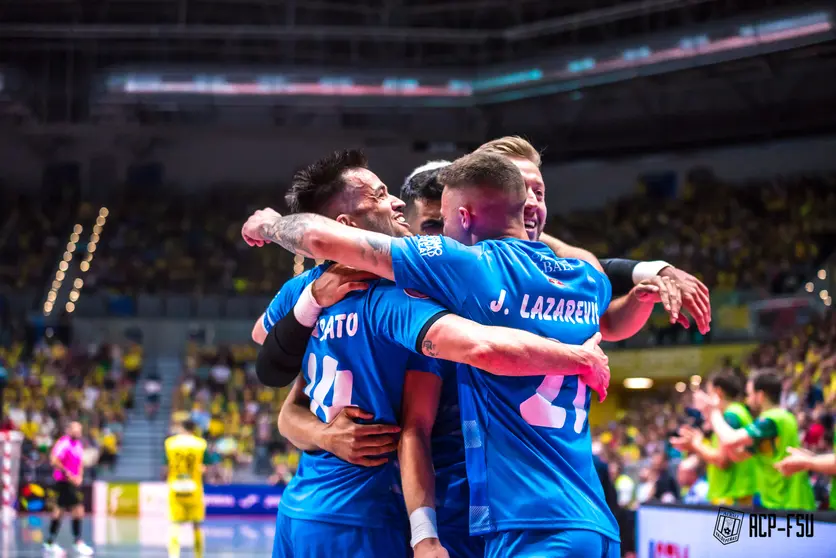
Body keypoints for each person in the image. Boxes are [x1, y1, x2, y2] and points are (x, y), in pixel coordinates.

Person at [242, 152, 687, 558]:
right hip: (446, 513)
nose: (396, 204)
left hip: (486, 516)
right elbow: (288, 405)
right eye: (433, 228)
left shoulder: (448, 278)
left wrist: (271, 228)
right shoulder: (404, 290)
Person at [694, 369, 816, 510]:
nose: (748, 399)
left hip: (789, 504)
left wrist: (713, 412)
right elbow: (737, 455)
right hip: (775, 502)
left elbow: (729, 442)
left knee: (725, 533)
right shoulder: (779, 418)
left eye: (750, 394)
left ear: (760, 395)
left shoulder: (772, 420)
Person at [670, 369, 757, 506]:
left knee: (724, 529)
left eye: (709, 393)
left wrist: (696, 445)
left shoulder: (731, 415)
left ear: (718, 392)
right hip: (734, 495)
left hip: (733, 497)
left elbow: (722, 460)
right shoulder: (735, 413)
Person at [44, 421, 94, 556]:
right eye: (76, 430)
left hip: (72, 482)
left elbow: (80, 463)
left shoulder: (78, 444)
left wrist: (80, 477)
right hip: (63, 481)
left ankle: (49, 542)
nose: (78, 432)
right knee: (78, 509)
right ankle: (78, 542)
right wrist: (69, 474)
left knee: (59, 511)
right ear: (69, 430)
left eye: (80, 430)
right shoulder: (64, 443)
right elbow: (54, 460)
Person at [164, 419, 209, 558]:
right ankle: (199, 556)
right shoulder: (200, 444)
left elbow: (166, 465)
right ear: (194, 429)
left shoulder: (170, 443)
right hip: (194, 489)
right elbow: (205, 465)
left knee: (175, 525)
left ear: (181, 428)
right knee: (196, 525)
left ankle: (174, 555)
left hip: (176, 488)